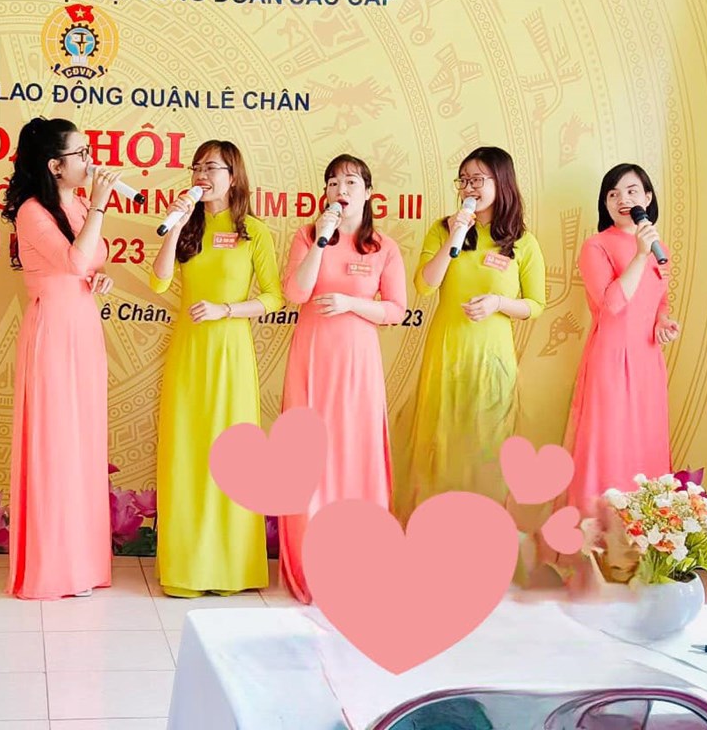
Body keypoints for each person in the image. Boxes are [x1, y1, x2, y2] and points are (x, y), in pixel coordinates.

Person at [149, 140, 284, 597]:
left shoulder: (253, 232)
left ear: (233, 176)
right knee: (186, 453)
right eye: (197, 168)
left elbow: (274, 297)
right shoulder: (188, 224)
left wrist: (226, 310)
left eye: (212, 168)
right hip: (188, 352)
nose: (201, 176)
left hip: (231, 352)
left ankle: (231, 571)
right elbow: (159, 281)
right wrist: (174, 228)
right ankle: (187, 569)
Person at [278, 155, 407, 603]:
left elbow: (396, 309)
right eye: (333, 183)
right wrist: (320, 240)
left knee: (356, 455)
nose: (340, 190)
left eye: (350, 182)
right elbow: (295, 293)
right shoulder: (306, 235)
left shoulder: (383, 247)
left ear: (368, 192)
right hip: (312, 358)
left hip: (358, 364)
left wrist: (352, 304)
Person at [2, 117, 119, 600]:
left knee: (82, 443)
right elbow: (73, 260)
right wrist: (100, 207)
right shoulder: (33, 211)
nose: (90, 161)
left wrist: (98, 277)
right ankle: (54, 567)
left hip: (83, 325)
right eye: (81, 153)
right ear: (55, 166)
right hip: (52, 331)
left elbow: (88, 262)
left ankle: (83, 564)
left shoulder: (76, 203)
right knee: (56, 444)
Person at [395, 146, 546, 520]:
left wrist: (499, 303)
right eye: (463, 180)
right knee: (439, 446)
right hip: (446, 352)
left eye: (477, 179)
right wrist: (454, 236)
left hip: (493, 359)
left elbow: (536, 305)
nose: (468, 188)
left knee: (487, 451)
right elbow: (425, 285)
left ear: (502, 181)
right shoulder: (442, 229)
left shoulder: (523, 242)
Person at [564, 164, 676, 514]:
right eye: (612, 194)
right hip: (611, 361)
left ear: (648, 198)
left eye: (631, 191)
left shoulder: (659, 248)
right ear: (605, 203)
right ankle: (597, 536)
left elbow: (659, 300)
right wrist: (640, 255)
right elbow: (611, 304)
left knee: (646, 444)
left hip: (648, 362)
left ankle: (647, 535)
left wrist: (663, 322)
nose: (622, 199)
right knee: (609, 446)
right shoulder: (595, 246)